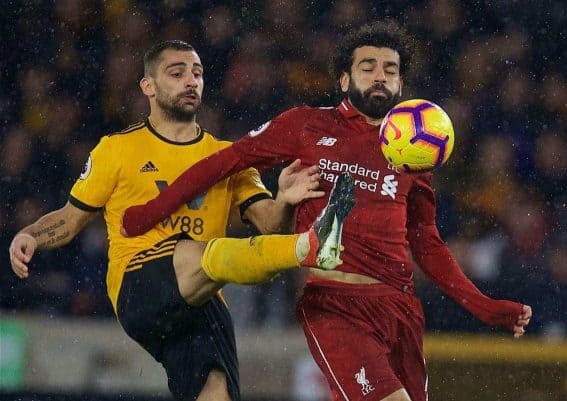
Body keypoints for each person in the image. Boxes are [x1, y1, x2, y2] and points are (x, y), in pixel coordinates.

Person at [121, 24, 532, 401]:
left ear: (401, 82)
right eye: (368, 66)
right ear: (344, 79)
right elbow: (225, 162)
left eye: (390, 69)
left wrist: (486, 307)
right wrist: (153, 211)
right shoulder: (307, 126)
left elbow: (427, 244)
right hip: (336, 303)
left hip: (399, 307)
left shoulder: (414, 149)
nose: (380, 76)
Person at [8, 40, 356, 401]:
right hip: (139, 285)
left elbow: (271, 227)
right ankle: (310, 246)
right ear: (149, 86)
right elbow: (70, 218)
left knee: (214, 393)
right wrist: (32, 235)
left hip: (203, 303)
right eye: (177, 73)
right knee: (204, 254)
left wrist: (284, 200)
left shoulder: (227, 157)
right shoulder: (116, 149)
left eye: (197, 73)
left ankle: (306, 246)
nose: (191, 81)